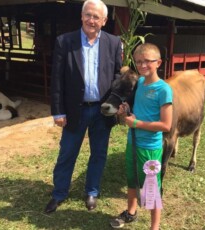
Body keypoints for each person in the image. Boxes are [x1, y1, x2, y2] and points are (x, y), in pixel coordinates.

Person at [44, 0, 122, 214]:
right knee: (67, 153)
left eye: (96, 17)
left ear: (104, 21)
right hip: (73, 110)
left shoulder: (114, 43)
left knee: (98, 153)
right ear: (81, 16)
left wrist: (118, 105)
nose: (91, 20)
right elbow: (57, 80)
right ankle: (59, 193)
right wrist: (58, 111)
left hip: (102, 110)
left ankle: (92, 192)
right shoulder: (65, 42)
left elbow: (117, 77)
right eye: (88, 15)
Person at [110, 43, 173, 230]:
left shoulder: (163, 89)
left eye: (147, 61)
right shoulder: (138, 84)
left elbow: (165, 125)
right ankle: (131, 212)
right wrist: (126, 110)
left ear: (158, 62)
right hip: (133, 142)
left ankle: (155, 227)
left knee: (151, 188)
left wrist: (136, 124)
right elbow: (137, 110)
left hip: (150, 148)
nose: (143, 65)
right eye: (139, 62)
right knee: (132, 180)